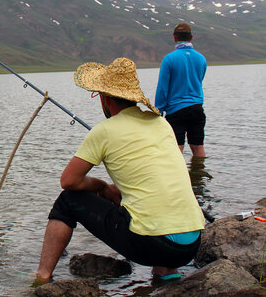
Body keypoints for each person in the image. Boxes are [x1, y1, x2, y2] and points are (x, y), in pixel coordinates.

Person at [35, 57, 205, 284]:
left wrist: (102, 187)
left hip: (152, 245)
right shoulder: (161, 123)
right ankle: (166, 271)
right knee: (152, 200)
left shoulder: (104, 130)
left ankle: (42, 277)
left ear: (105, 99)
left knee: (67, 201)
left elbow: (69, 181)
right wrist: (118, 192)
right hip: (191, 245)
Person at [155, 23, 207, 157]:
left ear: (175, 38)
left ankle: (177, 177)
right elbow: (199, 80)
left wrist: (158, 111)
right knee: (198, 146)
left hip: (176, 111)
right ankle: (199, 175)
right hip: (197, 108)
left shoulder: (169, 59)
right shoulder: (201, 59)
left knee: (176, 148)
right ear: (191, 37)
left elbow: (162, 88)